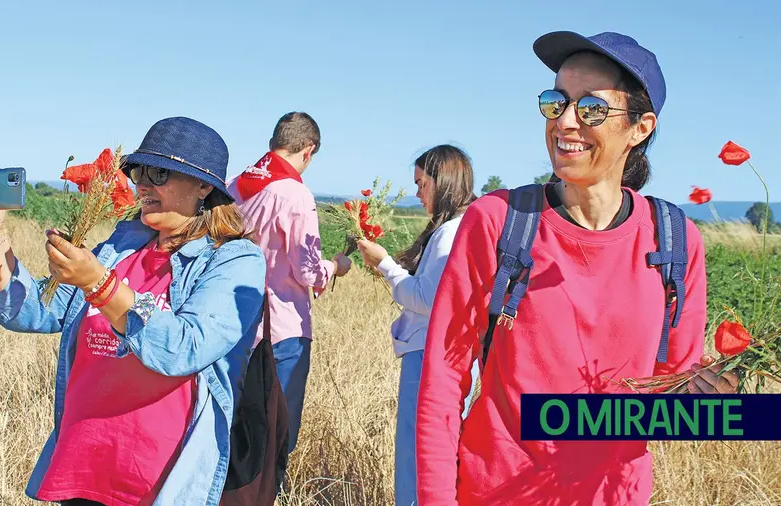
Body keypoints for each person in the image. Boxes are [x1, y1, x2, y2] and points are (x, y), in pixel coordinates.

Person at [415, 31, 740, 505]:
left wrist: (710, 401)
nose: (565, 122)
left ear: (640, 127)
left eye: (591, 109)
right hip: (495, 493)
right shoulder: (500, 223)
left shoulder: (675, 240)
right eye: (556, 102)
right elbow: (443, 381)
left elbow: (670, 397)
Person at [0, 116, 267, 506]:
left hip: (157, 482)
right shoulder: (121, 247)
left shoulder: (234, 260)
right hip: (84, 463)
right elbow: (33, 310)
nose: (142, 184)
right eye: (139, 172)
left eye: (160, 173)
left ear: (204, 186)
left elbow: (185, 347)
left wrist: (100, 285)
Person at [355, 145, 475, 506]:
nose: (418, 193)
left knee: (417, 453)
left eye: (422, 184)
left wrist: (385, 265)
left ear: (444, 182)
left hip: (428, 355)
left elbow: (426, 298)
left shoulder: (450, 232)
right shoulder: (465, 227)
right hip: (445, 353)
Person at [228, 112, 352, 458]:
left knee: (238, 428)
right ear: (308, 151)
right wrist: (336, 266)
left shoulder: (234, 185)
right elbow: (308, 271)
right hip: (282, 328)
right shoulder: (295, 195)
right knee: (277, 431)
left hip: (235, 324)